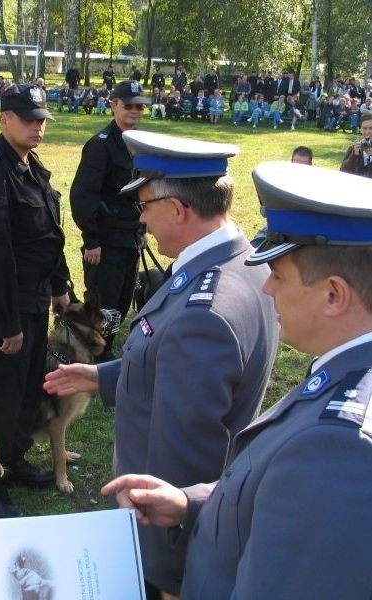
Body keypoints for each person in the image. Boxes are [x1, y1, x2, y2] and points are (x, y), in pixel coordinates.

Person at [103, 161, 372, 599]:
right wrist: (192, 504)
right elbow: (283, 497)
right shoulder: (344, 376)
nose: (266, 290)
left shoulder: (341, 444)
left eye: (280, 276)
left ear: (333, 295)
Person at [46, 130, 279, 599]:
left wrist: (166, 572)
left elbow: (183, 461)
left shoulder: (203, 314)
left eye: (146, 204)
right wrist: (101, 375)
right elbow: (169, 363)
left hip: (161, 540)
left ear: (178, 210)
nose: (142, 217)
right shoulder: (243, 266)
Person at [0, 84, 70, 519]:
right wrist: (7, 324)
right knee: (0, 396)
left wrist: (60, 285)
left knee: (27, 389)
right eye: (28, 119)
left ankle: (14, 460)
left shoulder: (29, 165)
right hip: (4, 306)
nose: (37, 127)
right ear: (4, 118)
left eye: (41, 119)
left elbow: (48, 234)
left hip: (34, 298)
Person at [70, 81, 148, 360]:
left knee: (124, 299)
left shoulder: (143, 143)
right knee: (103, 302)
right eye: (128, 105)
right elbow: (83, 195)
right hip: (106, 239)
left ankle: (106, 349)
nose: (135, 111)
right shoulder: (100, 146)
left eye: (140, 106)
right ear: (114, 105)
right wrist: (91, 238)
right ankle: (91, 354)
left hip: (132, 237)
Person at [340, 113, 372, 178]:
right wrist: (354, 155)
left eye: (371, 128)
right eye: (364, 128)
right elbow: (343, 172)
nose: (367, 132)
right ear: (360, 129)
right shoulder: (354, 148)